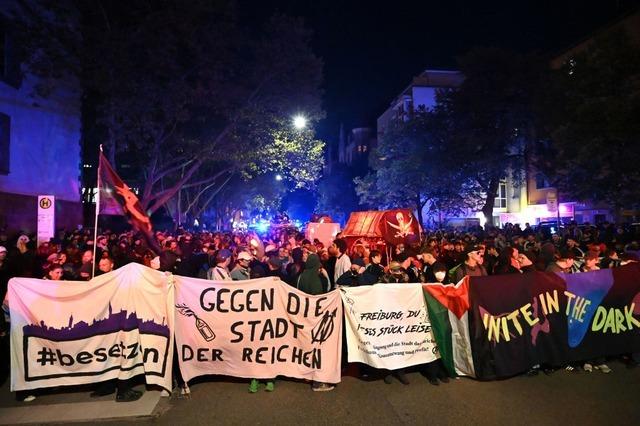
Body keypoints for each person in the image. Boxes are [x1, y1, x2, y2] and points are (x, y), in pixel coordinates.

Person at [297, 253, 335, 391]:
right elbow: (320, 297)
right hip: (316, 319)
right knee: (318, 348)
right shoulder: (316, 279)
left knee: (306, 346)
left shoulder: (301, 276)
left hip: (303, 316)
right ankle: (318, 381)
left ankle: (307, 374)